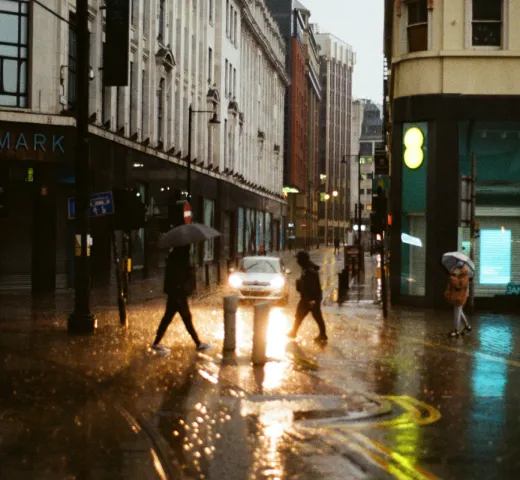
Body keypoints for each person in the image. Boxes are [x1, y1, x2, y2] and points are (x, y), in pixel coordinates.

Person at [151, 245, 210, 354]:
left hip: (176, 293)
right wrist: (192, 270)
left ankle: (156, 342)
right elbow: (179, 276)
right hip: (178, 294)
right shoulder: (180, 257)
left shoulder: (175, 256)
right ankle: (198, 343)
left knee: (170, 318)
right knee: (184, 318)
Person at [287, 251, 328, 342]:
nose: (297, 261)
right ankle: (294, 332)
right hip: (309, 297)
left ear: (302, 260)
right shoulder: (306, 268)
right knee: (302, 315)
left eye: (298, 259)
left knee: (312, 316)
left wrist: (312, 300)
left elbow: (312, 286)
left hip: (310, 298)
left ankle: (322, 335)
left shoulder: (309, 271)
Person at [444, 262, 472, 337]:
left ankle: (456, 331)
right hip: (455, 295)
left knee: (457, 313)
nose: (458, 262)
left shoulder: (465, 272)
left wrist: (453, 279)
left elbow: (460, 285)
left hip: (460, 296)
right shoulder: (456, 270)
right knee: (459, 311)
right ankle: (467, 326)